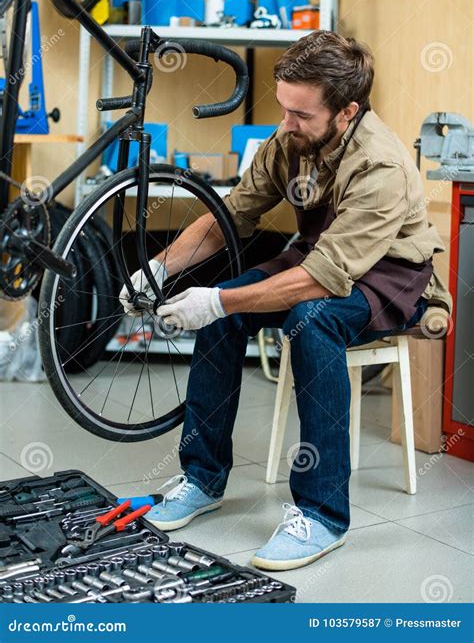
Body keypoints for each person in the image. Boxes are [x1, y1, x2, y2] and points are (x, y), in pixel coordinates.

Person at [120, 30, 451, 571]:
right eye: (283, 108)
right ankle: (202, 479)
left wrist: (217, 303)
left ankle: (322, 516)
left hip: (391, 272)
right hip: (323, 254)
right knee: (226, 304)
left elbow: (325, 277)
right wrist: (159, 269)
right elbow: (232, 215)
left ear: (346, 112)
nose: (286, 124)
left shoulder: (380, 166)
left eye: (301, 115)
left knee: (310, 319)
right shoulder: (291, 140)